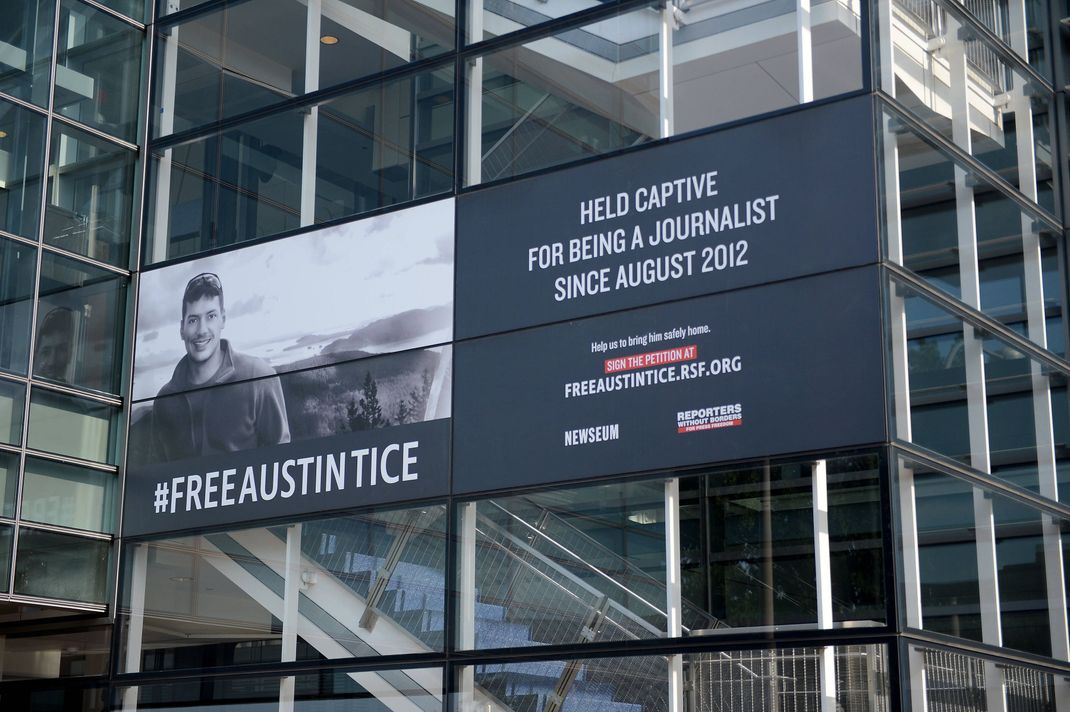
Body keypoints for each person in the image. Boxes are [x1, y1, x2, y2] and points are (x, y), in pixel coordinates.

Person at [149, 272, 290, 463]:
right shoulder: (164, 400)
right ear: (182, 329)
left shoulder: (259, 377)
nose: (202, 330)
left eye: (211, 316)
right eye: (193, 320)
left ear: (223, 319)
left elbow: (282, 461)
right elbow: (159, 477)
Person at [34, 307, 75, 382]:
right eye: (45, 352)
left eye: (61, 350)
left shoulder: (72, 393)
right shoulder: (24, 391)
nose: (52, 362)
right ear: (36, 355)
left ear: (70, 353)